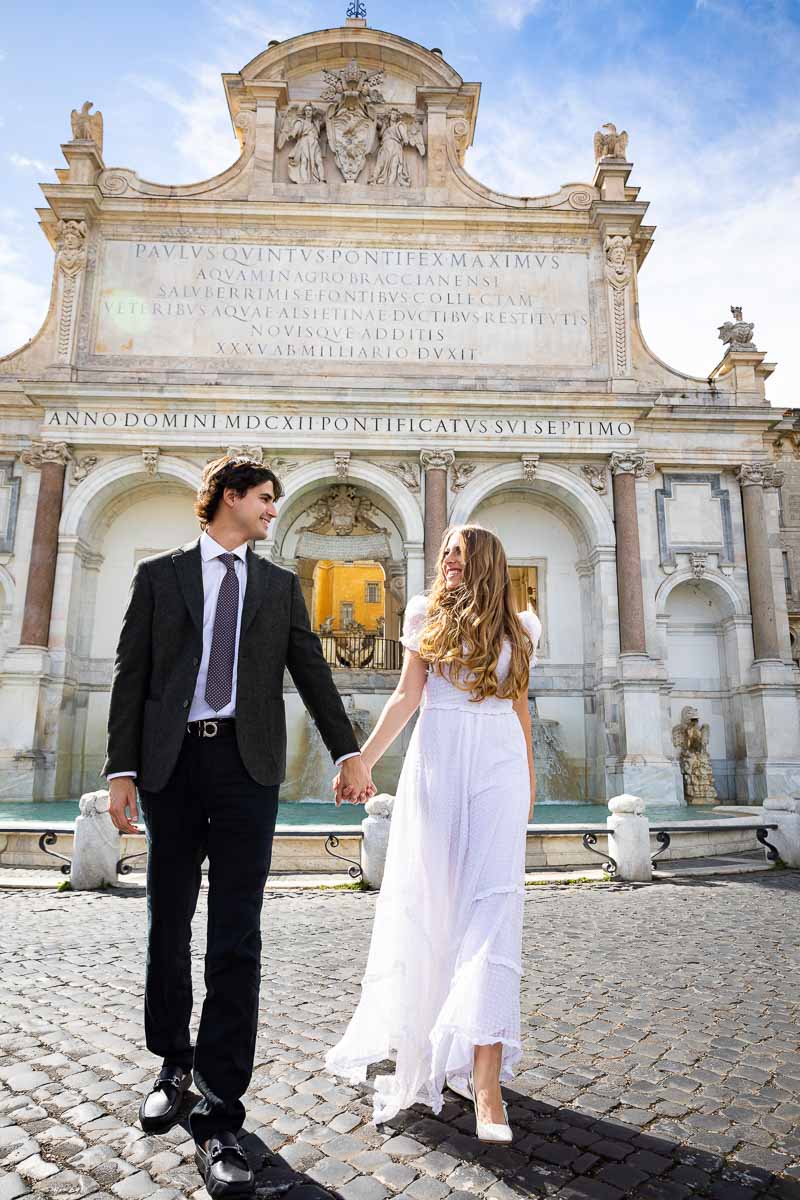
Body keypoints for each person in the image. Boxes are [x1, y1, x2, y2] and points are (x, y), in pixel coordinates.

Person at [104, 456, 373, 1197]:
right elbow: (134, 674)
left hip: (249, 770)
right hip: (170, 768)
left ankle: (221, 1110)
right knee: (168, 922)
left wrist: (347, 751)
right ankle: (173, 1062)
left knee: (236, 936)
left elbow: (311, 670)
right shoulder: (161, 576)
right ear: (228, 498)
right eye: (263, 499)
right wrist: (120, 770)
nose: (271, 512)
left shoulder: (280, 585)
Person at [327, 524, 540, 1143]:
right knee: (433, 908)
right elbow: (404, 698)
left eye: (460, 554)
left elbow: (521, 704)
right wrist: (361, 759)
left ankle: (486, 1087)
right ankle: (428, 1046)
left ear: (487, 564)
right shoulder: (424, 615)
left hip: (497, 765)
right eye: (445, 552)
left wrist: (527, 783)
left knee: (494, 913)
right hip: (438, 764)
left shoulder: (522, 628)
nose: (448, 561)